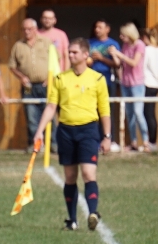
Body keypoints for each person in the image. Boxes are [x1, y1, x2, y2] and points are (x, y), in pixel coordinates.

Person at [32, 38, 111, 230]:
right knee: (69, 176)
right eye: (69, 52)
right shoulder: (60, 79)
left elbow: (104, 110)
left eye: (74, 52)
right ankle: (72, 219)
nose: (70, 55)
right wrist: (39, 131)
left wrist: (107, 137)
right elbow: (51, 107)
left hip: (88, 130)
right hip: (66, 131)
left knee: (88, 172)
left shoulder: (97, 79)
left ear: (85, 55)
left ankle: (93, 212)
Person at [9, 19, 53, 153]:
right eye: (24, 29)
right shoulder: (18, 45)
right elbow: (12, 66)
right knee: (31, 115)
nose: (26, 32)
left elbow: (56, 61)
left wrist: (50, 78)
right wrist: (21, 77)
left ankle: (53, 145)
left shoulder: (46, 43)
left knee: (50, 115)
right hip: (28, 86)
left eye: (29, 29)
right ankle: (35, 145)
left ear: (35, 29)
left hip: (46, 84)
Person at [109, 23, 149, 152]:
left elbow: (133, 62)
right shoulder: (125, 45)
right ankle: (133, 142)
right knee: (129, 114)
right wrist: (114, 54)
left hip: (137, 83)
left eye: (123, 35)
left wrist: (119, 55)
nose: (121, 37)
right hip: (125, 82)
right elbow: (121, 63)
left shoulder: (139, 45)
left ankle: (146, 141)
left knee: (138, 113)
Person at [88, 20, 122, 151]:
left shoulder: (113, 44)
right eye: (96, 27)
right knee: (92, 111)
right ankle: (94, 140)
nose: (97, 29)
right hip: (91, 81)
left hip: (107, 81)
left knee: (107, 111)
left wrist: (102, 58)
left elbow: (117, 64)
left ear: (107, 29)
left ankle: (109, 140)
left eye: (100, 27)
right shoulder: (89, 42)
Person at [142, 27, 158, 149]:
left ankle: (151, 141)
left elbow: (143, 66)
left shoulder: (147, 50)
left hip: (147, 83)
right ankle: (153, 141)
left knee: (147, 113)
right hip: (156, 83)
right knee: (151, 113)